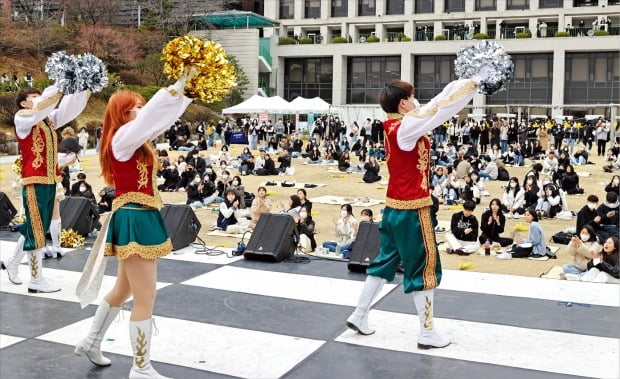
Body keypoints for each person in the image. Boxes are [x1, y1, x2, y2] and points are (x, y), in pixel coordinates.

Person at [346, 73, 483, 350]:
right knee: (424, 270)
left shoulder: (393, 126)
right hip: (413, 211)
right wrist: (473, 83)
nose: (415, 99)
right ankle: (427, 332)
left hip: (394, 208)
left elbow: (435, 103)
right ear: (403, 105)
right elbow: (440, 108)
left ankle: (359, 314)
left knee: (382, 264)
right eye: (410, 96)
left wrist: (465, 82)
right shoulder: (406, 128)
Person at [74, 72, 193, 377]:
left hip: (139, 215)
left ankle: (91, 341)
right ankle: (141, 368)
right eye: (135, 107)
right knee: (146, 297)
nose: (141, 111)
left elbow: (159, 120)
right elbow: (150, 118)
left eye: (142, 105)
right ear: (122, 114)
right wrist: (175, 87)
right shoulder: (123, 139)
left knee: (124, 289)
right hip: (134, 217)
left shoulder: (135, 139)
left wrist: (187, 92)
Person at [0, 84, 89, 291]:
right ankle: (36, 279)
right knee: (37, 229)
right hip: (34, 182)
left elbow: (68, 108)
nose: (40, 98)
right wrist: (59, 84)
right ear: (24, 103)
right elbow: (43, 105)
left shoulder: (47, 120)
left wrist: (80, 87)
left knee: (35, 227)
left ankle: (14, 263)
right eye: (34, 96)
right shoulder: (22, 118)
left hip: (50, 181)